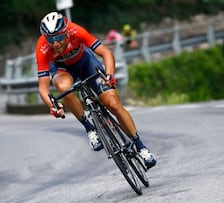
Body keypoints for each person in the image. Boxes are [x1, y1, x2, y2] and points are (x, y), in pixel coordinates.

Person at [35, 12, 156, 168]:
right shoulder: (42, 48)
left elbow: (106, 52)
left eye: (58, 37)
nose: (55, 44)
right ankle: (90, 128)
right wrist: (52, 105)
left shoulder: (76, 31)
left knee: (112, 104)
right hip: (62, 71)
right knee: (63, 88)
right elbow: (43, 87)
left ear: (66, 32)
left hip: (86, 63)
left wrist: (110, 74)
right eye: (50, 40)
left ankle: (141, 147)